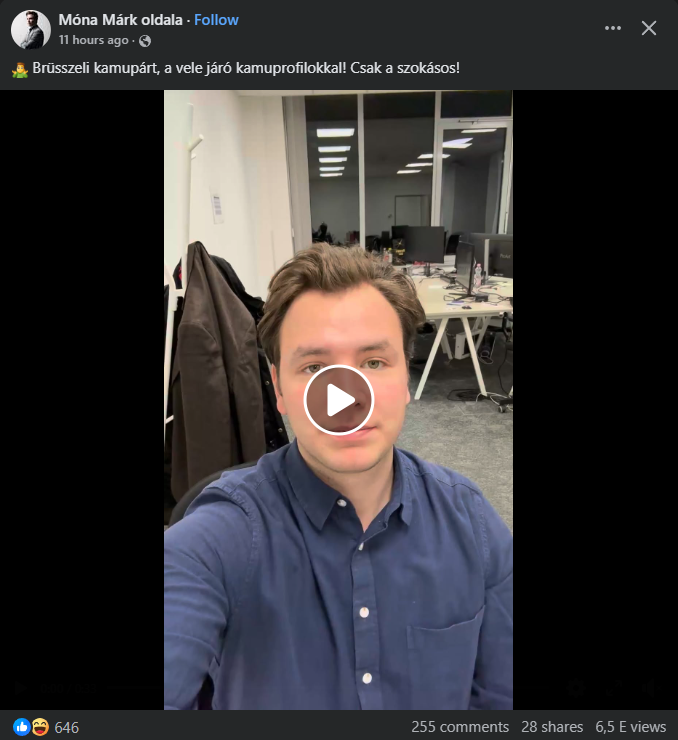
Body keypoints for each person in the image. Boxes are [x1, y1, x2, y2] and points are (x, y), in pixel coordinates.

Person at [164, 243, 513, 710]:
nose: (347, 400)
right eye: (315, 368)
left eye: (373, 363)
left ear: (405, 381)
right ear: (279, 389)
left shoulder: (472, 523)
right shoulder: (220, 538)